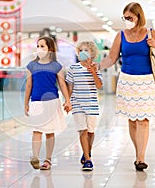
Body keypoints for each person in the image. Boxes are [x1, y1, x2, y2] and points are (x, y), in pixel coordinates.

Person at [94, 2, 155, 171]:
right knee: (133, 120)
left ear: (138, 17)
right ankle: (138, 153)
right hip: (127, 81)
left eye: (130, 17)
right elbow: (111, 59)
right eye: (125, 17)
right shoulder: (120, 35)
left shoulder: (150, 33)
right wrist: (97, 66)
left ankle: (141, 157)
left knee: (143, 120)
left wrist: (154, 45)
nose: (127, 20)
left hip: (146, 81)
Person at [24, 36, 72, 170]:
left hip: (52, 102)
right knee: (37, 131)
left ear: (50, 49)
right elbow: (29, 85)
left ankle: (48, 160)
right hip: (36, 102)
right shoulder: (31, 65)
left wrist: (68, 101)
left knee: (50, 132)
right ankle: (35, 156)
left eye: (42, 46)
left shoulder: (56, 66)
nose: (39, 49)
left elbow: (62, 85)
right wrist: (26, 103)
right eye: (38, 46)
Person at [66, 41, 103, 171]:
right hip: (77, 103)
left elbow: (99, 86)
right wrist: (67, 101)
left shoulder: (96, 67)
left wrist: (93, 71)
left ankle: (87, 151)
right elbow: (69, 87)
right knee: (83, 130)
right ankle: (88, 159)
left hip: (91, 103)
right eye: (80, 50)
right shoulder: (73, 68)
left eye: (86, 50)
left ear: (92, 53)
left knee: (91, 132)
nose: (83, 52)